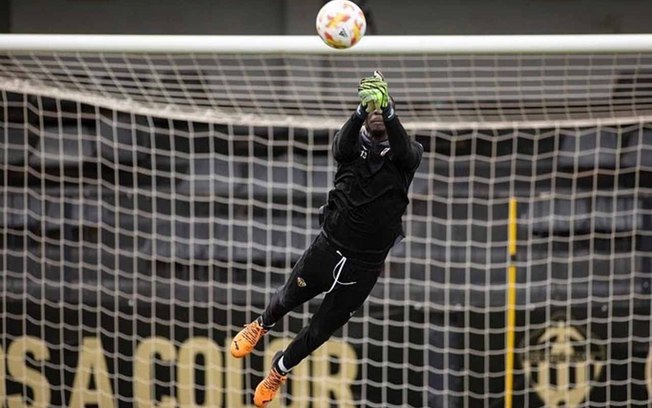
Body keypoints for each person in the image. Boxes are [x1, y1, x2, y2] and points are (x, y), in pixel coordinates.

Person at [230, 71, 423, 408]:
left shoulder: (407, 155)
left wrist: (387, 108)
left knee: (322, 329)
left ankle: (278, 369)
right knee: (289, 296)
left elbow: (406, 150)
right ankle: (260, 326)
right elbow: (340, 144)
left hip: (366, 264)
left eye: (383, 110)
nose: (377, 112)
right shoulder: (349, 147)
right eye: (371, 110)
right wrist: (362, 109)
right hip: (330, 246)